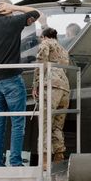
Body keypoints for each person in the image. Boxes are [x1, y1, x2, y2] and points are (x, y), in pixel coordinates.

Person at [0, 0, 40, 167]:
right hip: (12, 80)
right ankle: (15, 161)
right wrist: (15, 7)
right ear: (6, 9)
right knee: (18, 122)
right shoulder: (12, 22)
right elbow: (36, 13)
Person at [32, 27, 70, 166]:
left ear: (44, 36)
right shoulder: (63, 49)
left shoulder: (45, 44)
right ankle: (59, 156)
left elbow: (41, 64)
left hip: (51, 85)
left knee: (45, 123)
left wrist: (35, 84)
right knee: (57, 126)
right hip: (65, 87)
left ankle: (45, 161)